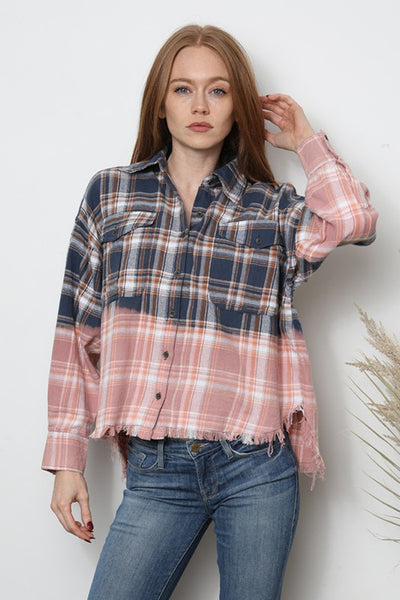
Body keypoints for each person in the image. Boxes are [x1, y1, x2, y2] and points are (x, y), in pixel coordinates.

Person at [42, 23, 378, 600]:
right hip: (156, 469)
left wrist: (306, 141)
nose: (200, 106)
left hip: (255, 467)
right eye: (183, 89)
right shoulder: (111, 195)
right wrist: (66, 460)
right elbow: (76, 333)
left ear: (237, 106)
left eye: (218, 91)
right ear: (160, 104)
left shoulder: (272, 208)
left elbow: (354, 220)